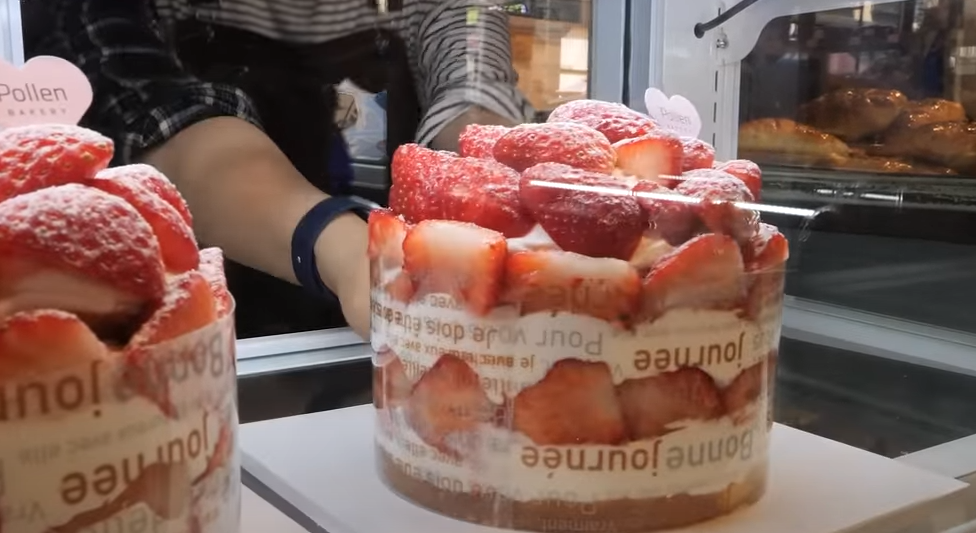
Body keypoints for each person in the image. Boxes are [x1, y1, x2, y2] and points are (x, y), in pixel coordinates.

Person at [26, 0, 533, 340]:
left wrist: (497, 194)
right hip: (214, 338)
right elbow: (165, 119)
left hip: (404, 317)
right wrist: (352, 255)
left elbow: (472, 86)